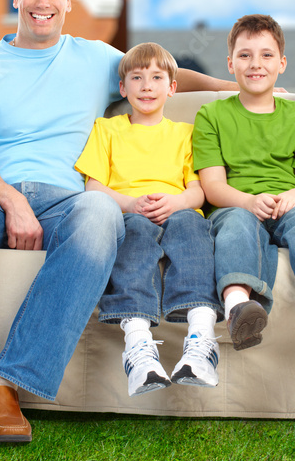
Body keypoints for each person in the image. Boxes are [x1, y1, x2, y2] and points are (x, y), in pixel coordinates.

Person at [0, 0, 237, 444]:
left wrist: (239, 87)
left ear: (69, 0)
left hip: (68, 201)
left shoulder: (95, 60)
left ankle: (6, 384)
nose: (43, 1)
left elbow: (164, 74)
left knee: (100, 211)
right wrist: (14, 202)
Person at [194, 14, 295, 352]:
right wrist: (247, 201)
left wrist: (293, 197)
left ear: (282, 63)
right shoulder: (210, 116)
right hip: (235, 204)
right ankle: (238, 307)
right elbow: (213, 187)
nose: (256, 64)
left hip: (290, 202)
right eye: (245, 55)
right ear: (230, 63)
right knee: (237, 227)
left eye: (267, 55)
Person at [75, 42, 220, 397]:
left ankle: (201, 338)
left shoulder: (185, 133)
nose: (146, 86)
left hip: (178, 209)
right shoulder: (106, 130)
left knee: (191, 226)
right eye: (137, 78)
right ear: (123, 88)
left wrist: (176, 202)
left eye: (157, 78)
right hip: (130, 212)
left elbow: (198, 190)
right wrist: (129, 204)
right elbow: (94, 186)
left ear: (172, 87)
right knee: (135, 235)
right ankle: (139, 346)